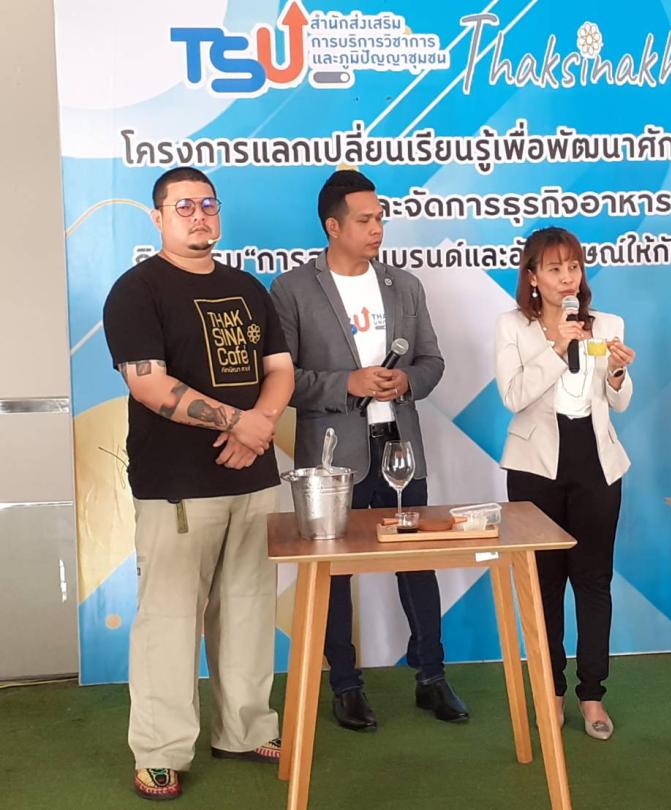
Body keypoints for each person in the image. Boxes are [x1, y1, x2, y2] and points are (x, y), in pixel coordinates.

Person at [102, 167, 295, 800]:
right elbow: (148, 384)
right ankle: (160, 750)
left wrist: (258, 427)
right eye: (183, 206)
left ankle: (245, 729)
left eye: (207, 204)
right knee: (169, 619)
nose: (198, 215)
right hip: (177, 485)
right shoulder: (137, 290)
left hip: (254, 478)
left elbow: (280, 368)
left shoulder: (247, 288)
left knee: (249, 608)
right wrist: (240, 423)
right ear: (157, 218)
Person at [270, 169, 467, 731]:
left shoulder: (404, 285)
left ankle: (432, 677)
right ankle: (346, 686)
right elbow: (283, 379)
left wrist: (406, 382)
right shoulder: (292, 289)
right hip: (332, 457)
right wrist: (347, 384)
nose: (378, 228)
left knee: (416, 564)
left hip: (400, 448)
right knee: (334, 574)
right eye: (365, 220)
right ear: (333, 227)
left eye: (380, 218)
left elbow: (432, 362)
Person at [495, 226, 636, 741]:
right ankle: (550, 690)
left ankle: (592, 693)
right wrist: (557, 346)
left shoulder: (608, 323)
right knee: (544, 584)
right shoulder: (513, 326)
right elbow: (513, 396)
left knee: (594, 580)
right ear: (533, 276)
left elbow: (618, 401)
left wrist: (617, 374)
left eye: (573, 266)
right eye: (554, 269)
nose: (567, 277)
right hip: (535, 465)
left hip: (595, 461)